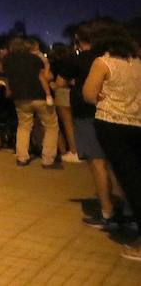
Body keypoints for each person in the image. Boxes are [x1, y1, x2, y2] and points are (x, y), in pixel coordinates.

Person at [80, 24, 141, 263]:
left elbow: (88, 93)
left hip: (113, 125)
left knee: (130, 179)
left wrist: (104, 98)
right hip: (138, 124)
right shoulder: (137, 63)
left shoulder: (102, 63)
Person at [60, 21, 124, 231]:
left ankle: (108, 212)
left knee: (97, 163)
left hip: (87, 114)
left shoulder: (80, 60)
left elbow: (61, 83)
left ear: (79, 39)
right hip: (115, 115)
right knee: (116, 163)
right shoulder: (116, 59)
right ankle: (127, 209)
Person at [2, 36, 59, 167]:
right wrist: (48, 94)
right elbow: (42, 77)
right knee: (51, 126)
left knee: (24, 126)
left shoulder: (7, 61)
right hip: (39, 96)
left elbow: (8, 79)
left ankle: (22, 157)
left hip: (20, 97)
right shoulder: (35, 59)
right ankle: (48, 159)